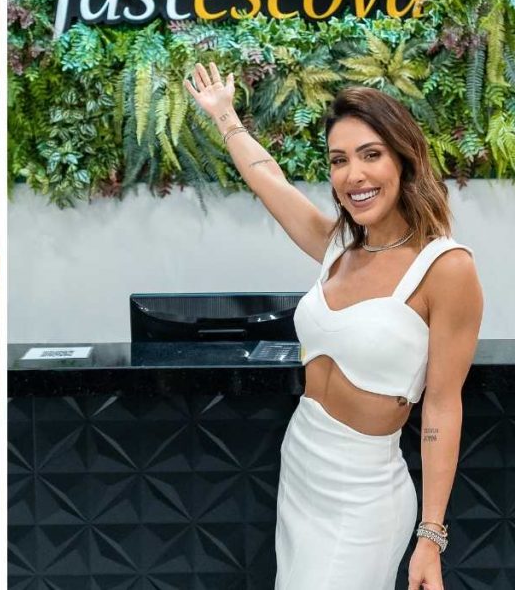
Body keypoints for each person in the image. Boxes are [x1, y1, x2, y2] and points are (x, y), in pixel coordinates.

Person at [185, 63, 482, 590]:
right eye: (339, 160)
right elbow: (267, 177)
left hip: (365, 494)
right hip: (302, 465)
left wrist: (431, 537)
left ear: (404, 159)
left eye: (371, 155)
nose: (354, 175)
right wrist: (225, 115)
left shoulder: (446, 267)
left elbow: (442, 406)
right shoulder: (337, 249)